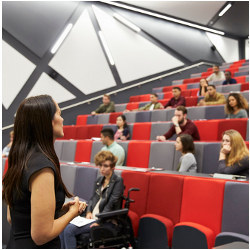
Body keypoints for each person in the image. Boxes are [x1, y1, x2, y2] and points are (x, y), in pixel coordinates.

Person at [2, 95, 86, 248]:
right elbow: (41, 236)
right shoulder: (42, 167)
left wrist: (58, 211)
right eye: (59, 114)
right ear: (47, 121)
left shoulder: (20, 160)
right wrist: (72, 213)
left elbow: (14, 217)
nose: (62, 119)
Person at [60, 151, 124, 249]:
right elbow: (92, 199)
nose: (102, 169)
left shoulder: (117, 181)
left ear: (113, 167)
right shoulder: (99, 180)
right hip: (90, 217)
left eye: (106, 166)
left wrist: (99, 220)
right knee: (62, 226)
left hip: (105, 219)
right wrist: (89, 211)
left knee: (69, 230)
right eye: (100, 165)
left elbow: (112, 203)